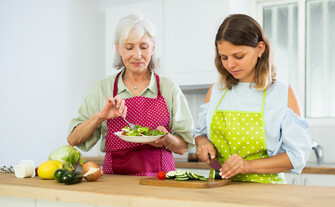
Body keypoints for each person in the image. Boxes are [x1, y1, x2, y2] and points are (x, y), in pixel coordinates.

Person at [67, 14, 194, 176]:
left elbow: (184, 146)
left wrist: (167, 139)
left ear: (153, 48)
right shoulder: (103, 87)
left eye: (144, 47)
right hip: (115, 182)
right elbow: (73, 139)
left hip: (161, 181)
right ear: (118, 48)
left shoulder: (169, 88)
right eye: (129, 47)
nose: (137, 55)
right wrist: (100, 116)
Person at [193, 14, 312, 184]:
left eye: (238, 56)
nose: (230, 65)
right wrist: (203, 143)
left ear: (260, 49)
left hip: (266, 194)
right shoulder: (216, 91)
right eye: (224, 57)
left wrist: (248, 166)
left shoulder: (283, 94)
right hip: (219, 189)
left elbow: (297, 156)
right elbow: (200, 133)